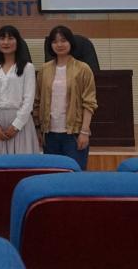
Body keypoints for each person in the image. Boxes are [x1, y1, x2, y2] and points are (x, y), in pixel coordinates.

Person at [36, 25, 97, 170]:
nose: (59, 44)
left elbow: (89, 103)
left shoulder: (83, 69)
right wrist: (38, 129)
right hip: (49, 134)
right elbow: (37, 101)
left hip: (74, 134)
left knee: (75, 174)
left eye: (63, 40)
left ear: (70, 42)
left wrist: (84, 132)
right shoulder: (44, 69)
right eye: (55, 41)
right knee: (53, 175)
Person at [0, 25, 41, 156]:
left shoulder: (28, 67)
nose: (6, 42)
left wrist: (16, 125)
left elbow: (29, 100)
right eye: (2, 38)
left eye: (10, 38)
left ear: (18, 42)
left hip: (21, 122)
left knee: (21, 163)